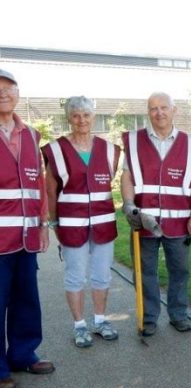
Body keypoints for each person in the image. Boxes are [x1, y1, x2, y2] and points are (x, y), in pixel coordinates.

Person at [121, 92, 191, 337]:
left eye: (163, 107)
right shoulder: (135, 141)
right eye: (153, 108)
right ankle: (149, 318)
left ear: (174, 110)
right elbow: (126, 177)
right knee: (145, 271)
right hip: (143, 221)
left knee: (180, 271)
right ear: (148, 112)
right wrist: (129, 206)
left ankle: (178, 315)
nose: (159, 113)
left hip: (180, 222)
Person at [43, 96, 120, 348]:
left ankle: (100, 321)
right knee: (75, 276)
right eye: (75, 115)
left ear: (94, 117)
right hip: (71, 224)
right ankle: (79, 326)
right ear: (68, 119)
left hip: (104, 224)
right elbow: (51, 191)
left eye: (86, 115)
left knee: (102, 275)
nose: (81, 120)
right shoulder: (55, 150)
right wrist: (53, 223)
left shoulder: (110, 150)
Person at [0, 69, 54, 388]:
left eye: (9, 88)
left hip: (26, 237)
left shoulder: (32, 135)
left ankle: (23, 354)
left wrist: (43, 223)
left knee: (26, 300)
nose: (3, 93)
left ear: (18, 93)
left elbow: (38, 186)